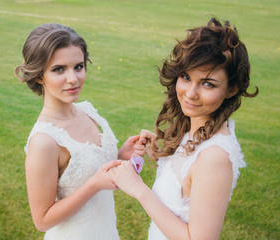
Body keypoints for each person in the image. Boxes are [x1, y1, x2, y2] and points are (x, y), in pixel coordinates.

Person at [109, 17, 258, 239]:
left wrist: (139, 190)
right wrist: (160, 152)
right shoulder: (197, 131)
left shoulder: (214, 157)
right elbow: (187, 186)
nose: (190, 93)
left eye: (208, 83)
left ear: (231, 89)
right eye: (186, 77)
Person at [14, 23, 138, 239]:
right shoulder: (44, 141)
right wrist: (94, 185)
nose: (73, 78)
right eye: (59, 69)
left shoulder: (88, 111)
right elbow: (42, 220)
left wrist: (121, 155)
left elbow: (88, 171)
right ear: (40, 75)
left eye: (78, 66)